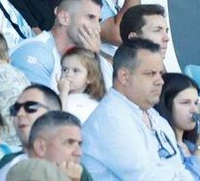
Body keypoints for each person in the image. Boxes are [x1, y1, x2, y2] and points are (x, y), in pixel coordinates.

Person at [80, 38, 187, 180]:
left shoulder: (155, 118)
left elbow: (180, 170)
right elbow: (145, 178)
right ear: (124, 76)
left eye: (160, 74)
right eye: (150, 73)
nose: (160, 81)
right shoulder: (111, 119)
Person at [13, 0, 108, 90]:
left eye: (99, 20)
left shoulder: (94, 55)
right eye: (90, 17)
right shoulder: (36, 52)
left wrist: (93, 59)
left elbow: (106, 102)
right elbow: (37, 106)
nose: (97, 28)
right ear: (64, 18)